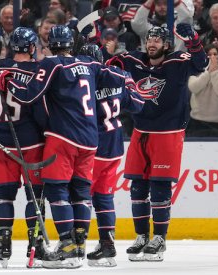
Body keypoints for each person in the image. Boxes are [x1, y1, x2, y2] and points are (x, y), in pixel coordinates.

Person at [0, 25, 131, 269]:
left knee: (57, 190)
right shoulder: (88, 63)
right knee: (80, 191)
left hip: (64, 137)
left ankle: (67, 245)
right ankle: (79, 245)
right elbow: (119, 76)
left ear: (51, 44)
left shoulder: (51, 64)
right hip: (91, 140)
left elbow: (28, 96)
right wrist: (131, 81)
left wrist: (10, 84)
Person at [106, 23, 206, 261]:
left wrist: (193, 40)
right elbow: (105, 68)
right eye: (149, 40)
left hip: (168, 133)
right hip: (141, 131)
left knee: (160, 187)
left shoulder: (178, 62)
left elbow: (201, 63)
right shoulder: (133, 60)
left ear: (166, 45)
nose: (152, 44)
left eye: (157, 41)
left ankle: (159, 239)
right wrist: (103, 50)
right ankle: (141, 236)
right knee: (138, 187)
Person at [78, 43, 145, 267]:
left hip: (93, 146)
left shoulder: (84, 80)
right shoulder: (119, 75)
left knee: (82, 196)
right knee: (104, 196)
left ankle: (77, 246)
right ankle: (107, 245)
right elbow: (137, 104)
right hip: (114, 146)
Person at [0, 27, 47, 268]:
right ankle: (36, 243)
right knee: (36, 195)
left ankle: (4, 244)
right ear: (32, 47)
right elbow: (41, 107)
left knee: (4, 196)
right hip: (31, 141)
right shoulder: (39, 71)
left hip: (1, 142)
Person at [187, 43, 218, 137]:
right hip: (198, 121)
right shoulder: (195, 71)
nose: (212, 56)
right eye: (209, 54)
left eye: (215, 54)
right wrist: (208, 72)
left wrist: (215, 72)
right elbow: (193, 88)